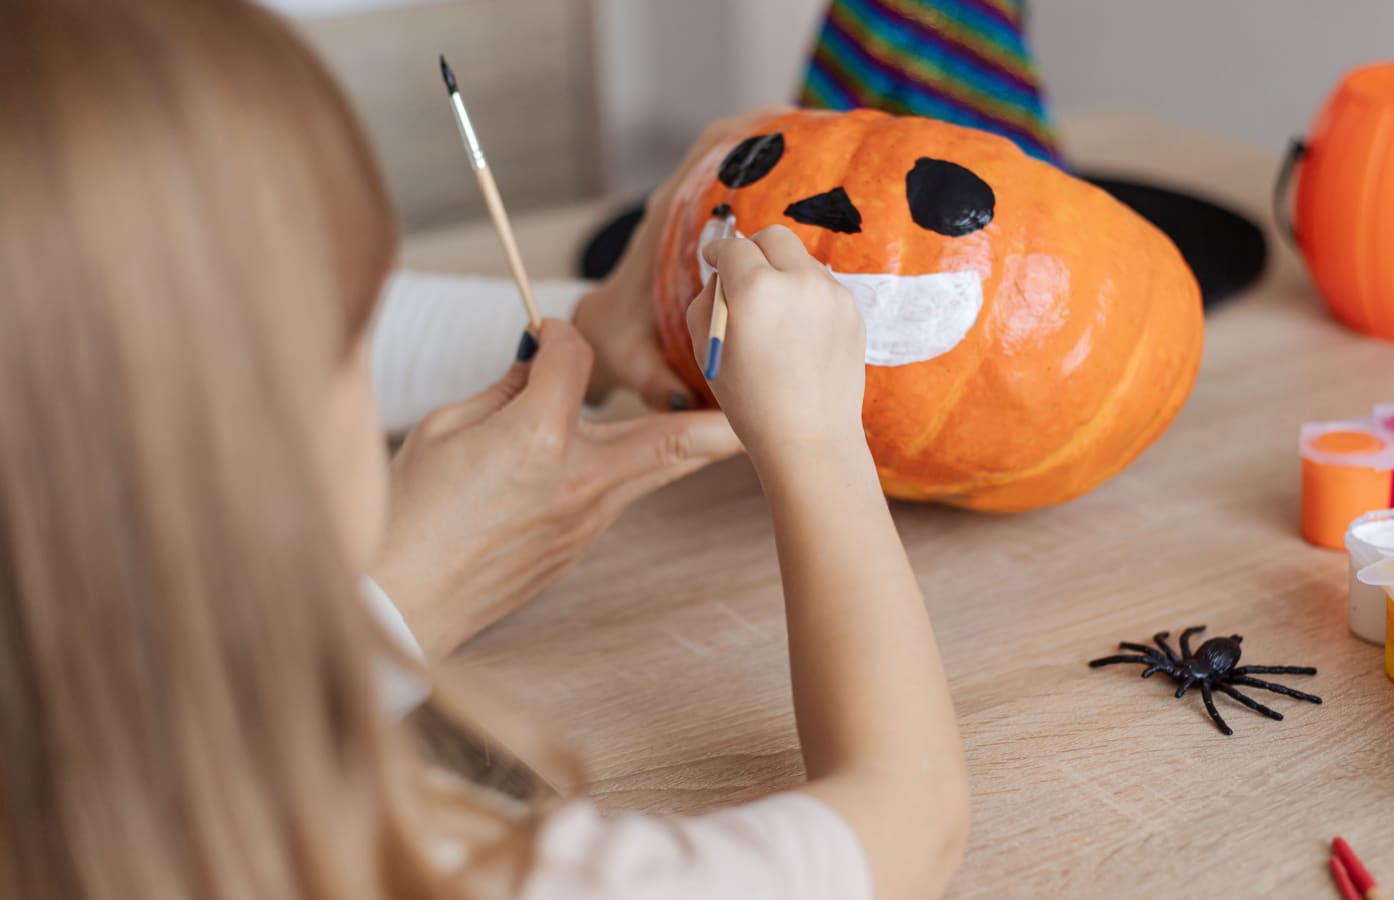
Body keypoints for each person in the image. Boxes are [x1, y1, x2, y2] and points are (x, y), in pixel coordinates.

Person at [0, 2, 969, 900]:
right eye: (345, 339)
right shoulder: (434, 865)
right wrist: (815, 443)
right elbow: (908, 818)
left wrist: (396, 596)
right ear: (256, 436)